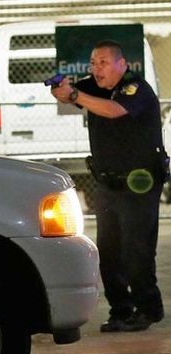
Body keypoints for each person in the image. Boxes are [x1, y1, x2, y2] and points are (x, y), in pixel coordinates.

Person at [51, 40, 169, 332]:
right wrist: (62, 90)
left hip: (138, 184)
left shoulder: (136, 89)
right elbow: (70, 96)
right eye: (93, 63)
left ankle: (147, 308)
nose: (96, 68)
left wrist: (76, 94)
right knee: (109, 251)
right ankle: (121, 309)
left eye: (103, 62)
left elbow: (114, 110)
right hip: (108, 184)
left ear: (121, 64)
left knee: (137, 250)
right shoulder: (93, 86)